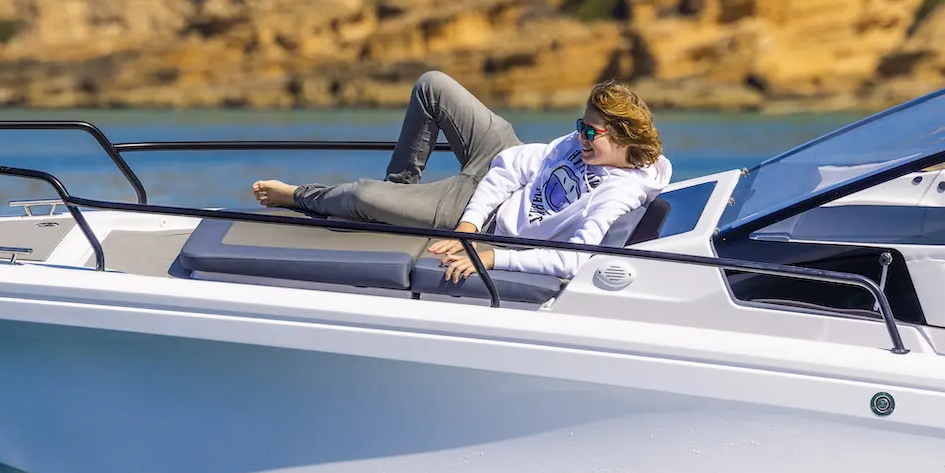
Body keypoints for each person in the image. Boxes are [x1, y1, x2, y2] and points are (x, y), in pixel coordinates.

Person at [252, 71, 671, 282]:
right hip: (497, 168)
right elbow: (513, 166)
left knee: (363, 196)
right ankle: (399, 192)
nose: (580, 136)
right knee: (432, 85)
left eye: (591, 132)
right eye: (581, 126)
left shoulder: (618, 194)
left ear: (623, 138)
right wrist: (466, 227)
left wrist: (487, 253)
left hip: (492, 225)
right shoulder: (584, 143)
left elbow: (570, 260)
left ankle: (301, 196)